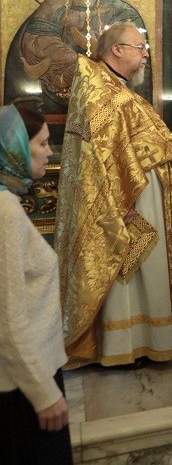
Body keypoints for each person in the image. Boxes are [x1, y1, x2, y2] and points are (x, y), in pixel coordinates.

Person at [54, 22, 172, 368]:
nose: (145, 55)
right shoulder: (100, 90)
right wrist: (118, 203)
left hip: (140, 195)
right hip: (126, 202)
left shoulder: (112, 87)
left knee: (143, 268)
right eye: (140, 47)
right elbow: (98, 158)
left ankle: (147, 338)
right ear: (116, 49)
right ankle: (125, 344)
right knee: (127, 269)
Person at [4, 0, 150, 121]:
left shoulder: (124, 15)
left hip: (112, 110)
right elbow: (32, 49)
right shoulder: (50, 8)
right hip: (49, 108)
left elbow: (137, 73)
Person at [0, 105, 72, 464]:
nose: (50, 152)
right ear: (15, 149)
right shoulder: (5, 211)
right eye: (42, 143)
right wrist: (44, 394)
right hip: (24, 386)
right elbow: (7, 321)